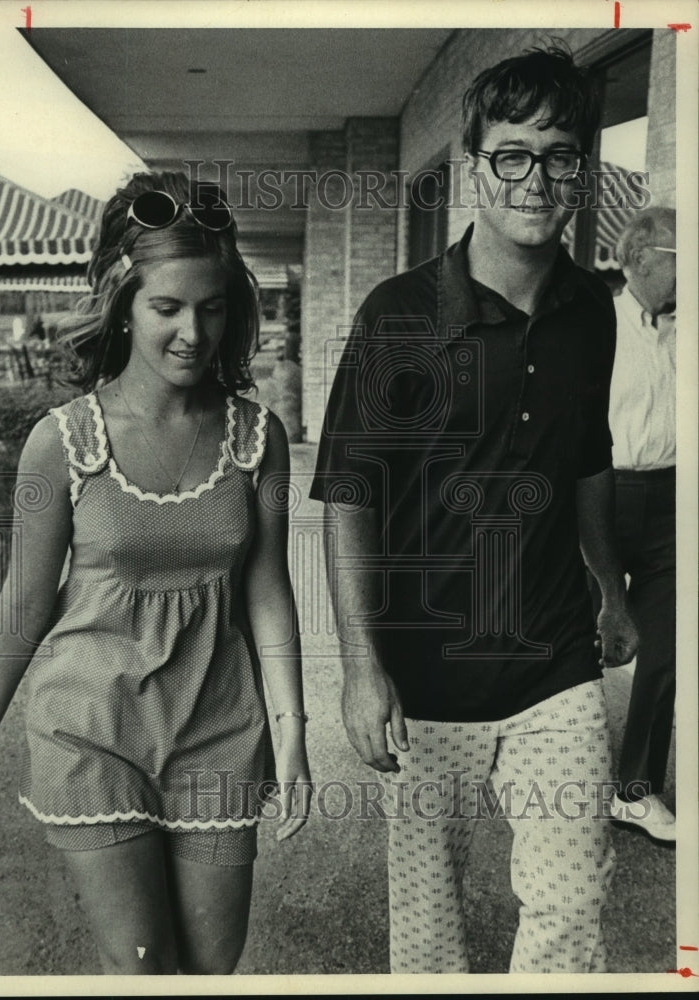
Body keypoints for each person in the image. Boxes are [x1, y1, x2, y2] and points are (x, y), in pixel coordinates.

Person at [311, 44, 638, 973]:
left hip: (554, 666)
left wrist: (610, 589)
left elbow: (587, 457)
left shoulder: (593, 310)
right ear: (475, 166)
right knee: (429, 933)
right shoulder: (398, 316)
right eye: (513, 153)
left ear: (582, 169)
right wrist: (361, 669)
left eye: (561, 154)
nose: (537, 177)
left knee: (573, 912)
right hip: (429, 677)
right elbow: (348, 494)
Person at [0, 171, 311, 975]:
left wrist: (291, 736)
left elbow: (265, 587)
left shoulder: (258, 438)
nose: (195, 331)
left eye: (213, 306)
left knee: (212, 969)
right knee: (143, 969)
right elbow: (24, 599)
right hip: (91, 731)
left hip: (219, 728)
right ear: (122, 303)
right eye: (168, 308)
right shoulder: (64, 441)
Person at [601, 208, 677, 844]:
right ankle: (551, 768)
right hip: (601, 494)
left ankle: (636, 789)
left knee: (667, 650)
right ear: (644, 259)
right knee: (578, 634)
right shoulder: (599, 323)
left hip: (674, 500)